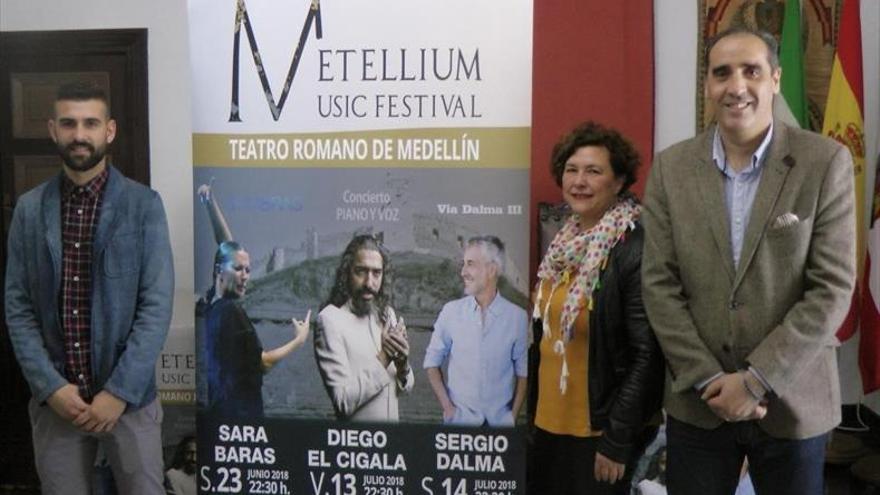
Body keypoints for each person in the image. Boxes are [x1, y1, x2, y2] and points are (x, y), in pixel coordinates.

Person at [641, 27, 856, 495]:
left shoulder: (825, 162)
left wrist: (757, 381)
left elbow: (832, 287)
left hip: (793, 402)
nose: (736, 86)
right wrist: (709, 380)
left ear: (775, 80)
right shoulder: (670, 168)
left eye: (751, 71)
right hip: (700, 405)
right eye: (722, 73)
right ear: (707, 86)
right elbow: (659, 285)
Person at [5, 81, 174, 493]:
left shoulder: (143, 206)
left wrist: (118, 392)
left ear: (109, 131)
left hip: (129, 402)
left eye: (90, 123)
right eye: (69, 123)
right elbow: (18, 307)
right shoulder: (29, 210)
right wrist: (51, 387)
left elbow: (156, 306)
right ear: (52, 129)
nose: (79, 134)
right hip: (58, 406)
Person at [528, 121, 664, 494]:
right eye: (571, 170)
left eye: (593, 171)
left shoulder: (633, 246)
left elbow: (646, 355)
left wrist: (617, 440)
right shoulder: (563, 244)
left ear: (619, 181)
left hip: (599, 435)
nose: (579, 181)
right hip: (548, 427)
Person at [423, 235, 528, 426]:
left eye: (470, 264)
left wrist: (511, 418)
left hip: (499, 429)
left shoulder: (517, 318)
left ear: (492, 270)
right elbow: (431, 363)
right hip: (458, 426)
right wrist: (448, 408)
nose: (463, 272)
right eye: (463, 264)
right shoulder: (450, 312)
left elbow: (524, 373)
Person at [202, 240, 311, 417]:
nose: (245, 277)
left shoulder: (211, 308)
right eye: (238, 269)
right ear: (218, 271)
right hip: (241, 418)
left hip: (220, 414)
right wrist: (299, 340)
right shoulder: (231, 311)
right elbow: (263, 363)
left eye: (248, 270)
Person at [314, 235, 414, 421]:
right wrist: (385, 357)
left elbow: (406, 389)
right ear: (346, 274)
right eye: (361, 272)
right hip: (356, 445)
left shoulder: (387, 314)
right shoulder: (329, 321)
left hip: (391, 443)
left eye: (376, 273)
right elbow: (342, 402)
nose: (369, 283)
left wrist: (403, 364)